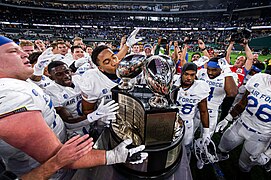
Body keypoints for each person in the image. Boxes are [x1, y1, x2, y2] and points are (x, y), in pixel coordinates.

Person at [0, 36, 147, 178]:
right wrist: (112, 156)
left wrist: (126, 46)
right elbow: (60, 157)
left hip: (71, 144)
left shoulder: (19, 83)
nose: (24, 54)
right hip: (47, 171)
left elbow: (113, 61)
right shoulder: (9, 95)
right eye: (13, 51)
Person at [215, 73, 271, 172]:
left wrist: (268, 153)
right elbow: (243, 102)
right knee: (222, 147)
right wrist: (228, 118)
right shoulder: (259, 78)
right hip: (241, 124)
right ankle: (222, 156)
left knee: (244, 166)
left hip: (260, 135)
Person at [172, 62, 210, 158]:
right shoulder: (173, 81)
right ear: (181, 73)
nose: (189, 78)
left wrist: (206, 131)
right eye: (186, 74)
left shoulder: (200, 87)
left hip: (187, 122)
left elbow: (203, 111)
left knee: (186, 147)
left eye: (192, 75)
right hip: (171, 121)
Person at [195, 57, 238, 136]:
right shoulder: (202, 72)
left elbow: (232, 93)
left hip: (211, 111)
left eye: (214, 70)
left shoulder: (229, 76)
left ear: (221, 69)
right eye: (208, 69)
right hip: (196, 108)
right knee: (187, 134)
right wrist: (195, 66)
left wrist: (227, 70)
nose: (210, 72)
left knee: (205, 137)